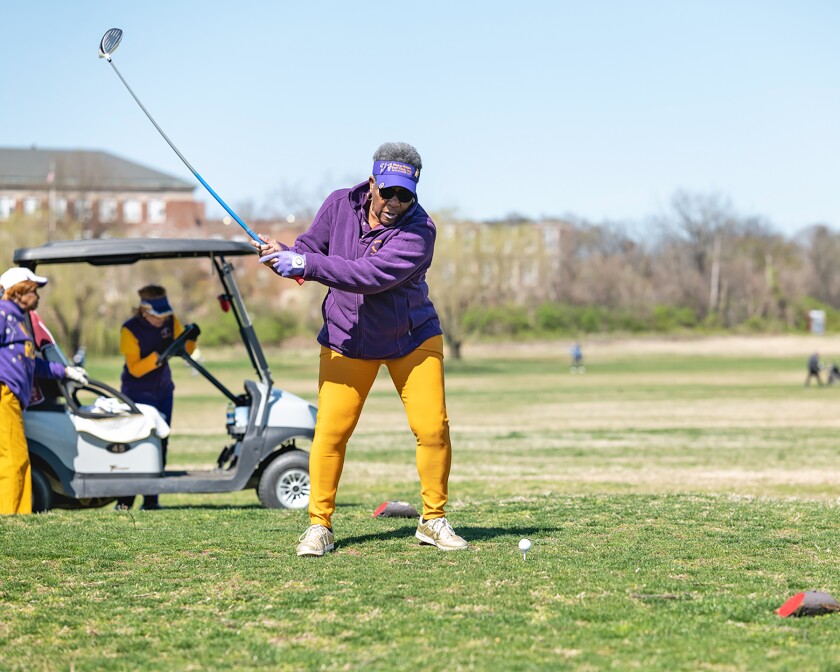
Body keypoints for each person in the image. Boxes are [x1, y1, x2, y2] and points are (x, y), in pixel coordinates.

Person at [254, 142, 468, 557]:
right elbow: (311, 249)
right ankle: (319, 527)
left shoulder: (419, 231)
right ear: (372, 183)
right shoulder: (338, 204)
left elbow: (368, 275)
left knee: (433, 428)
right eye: (387, 191)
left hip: (411, 338)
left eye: (405, 194)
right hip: (347, 338)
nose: (394, 202)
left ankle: (432, 520)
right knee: (331, 433)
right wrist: (287, 255)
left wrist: (306, 266)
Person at [0, 267, 88, 515]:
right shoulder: (3, 314)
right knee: (12, 458)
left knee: (19, 457)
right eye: (34, 291)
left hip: (13, 398)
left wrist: (65, 371)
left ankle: (20, 513)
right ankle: (9, 515)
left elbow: (32, 363)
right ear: (19, 291)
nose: (38, 297)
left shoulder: (18, 319)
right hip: (3, 394)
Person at [115, 285, 197, 510]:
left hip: (163, 391)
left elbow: (186, 349)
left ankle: (152, 499)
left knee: (161, 442)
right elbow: (135, 368)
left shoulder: (171, 321)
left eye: (164, 314)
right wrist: (158, 358)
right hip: (136, 394)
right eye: (157, 315)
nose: (162, 320)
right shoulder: (129, 330)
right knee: (136, 443)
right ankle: (125, 501)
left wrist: (191, 338)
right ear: (144, 310)